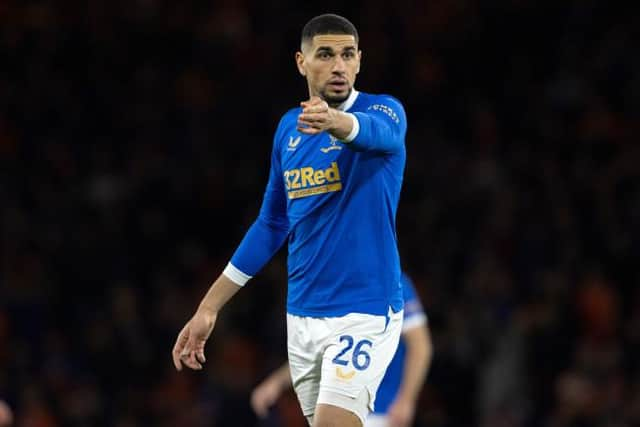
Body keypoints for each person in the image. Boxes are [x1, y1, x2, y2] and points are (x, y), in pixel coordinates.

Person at [172, 13, 408, 427]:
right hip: (302, 316)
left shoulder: (385, 112)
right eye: (326, 55)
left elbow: (374, 134)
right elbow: (272, 223)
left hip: (365, 311)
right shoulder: (289, 130)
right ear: (302, 62)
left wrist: (334, 122)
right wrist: (209, 307)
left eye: (348, 55)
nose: (338, 65)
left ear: (359, 61)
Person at [251, 272, 432, 427]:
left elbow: (421, 346)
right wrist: (276, 382)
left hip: (380, 413)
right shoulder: (333, 285)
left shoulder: (392, 280)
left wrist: (406, 400)